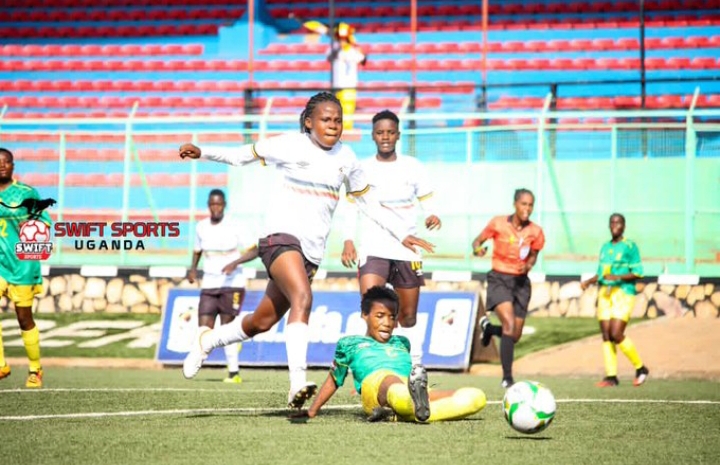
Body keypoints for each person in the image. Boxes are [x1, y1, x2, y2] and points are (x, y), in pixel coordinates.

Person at [178, 92, 434, 409]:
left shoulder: (347, 158)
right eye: (326, 119)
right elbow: (241, 156)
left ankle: (207, 340)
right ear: (309, 122)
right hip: (279, 239)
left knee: (261, 322)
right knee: (303, 297)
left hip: (310, 254)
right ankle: (297, 383)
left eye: (338, 120)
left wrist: (402, 233)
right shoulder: (290, 145)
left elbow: (368, 202)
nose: (333, 125)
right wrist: (203, 152)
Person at [341, 110, 441, 366]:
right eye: (380, 132)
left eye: (390, 132)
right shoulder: (361, 169)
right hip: (373, 247)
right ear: (373, 136)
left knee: (407, 317)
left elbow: (427, 200)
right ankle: (369, 365)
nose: (385, 137)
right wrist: (348, 239)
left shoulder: (413, 166)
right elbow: (351, 207)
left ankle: (414, 367)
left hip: (406, 250)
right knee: (370, 308)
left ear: (398, 135)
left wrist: (432, 215)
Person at [303, 285, 487, 422]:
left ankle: (400, 414)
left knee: (476, 397)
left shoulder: (402, 342)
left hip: (409, 388)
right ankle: (410, 405)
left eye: (392, 317)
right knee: (393, 383)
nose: (387, 323)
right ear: (364, 315)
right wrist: (312, 411)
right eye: (380, 316)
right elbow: (334, 379)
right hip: (374, 388)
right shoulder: (349, 344)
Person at [471, 188, 545, 389]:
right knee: (509, 326)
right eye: (524, 204)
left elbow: (533, 255)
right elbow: (477, 241)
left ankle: (489, 328)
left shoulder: (536, 231)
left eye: (530, 205)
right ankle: (507, 378)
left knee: (514, 335)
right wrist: (478, 250)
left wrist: (528, 266)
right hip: (499, 279)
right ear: (515, 204)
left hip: (521, 283)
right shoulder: (498, 223)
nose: (527, 208)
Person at [187, 188, 258, 384]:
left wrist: (235, 263)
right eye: (212, 204)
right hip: (209, 284)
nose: (215, 208)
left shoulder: (235, 225)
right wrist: (193, 269)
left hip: (232, 284)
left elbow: (254, 250)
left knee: (227, 328)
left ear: (224, 205)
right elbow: (197, 250)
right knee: (203, 329)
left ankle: (234, 373)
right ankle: (195, 365)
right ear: (208, 206)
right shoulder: (201, 226)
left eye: (218, 204)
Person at [0, 147, 53, 388]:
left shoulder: (25, 193)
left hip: (22, 265)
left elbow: (45, 222)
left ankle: (35, 369)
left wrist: (31, 225)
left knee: (24, 319)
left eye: (6, 161)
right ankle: (1, 365)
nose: (2, 165)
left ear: (13, 166)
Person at [581, 213, 649, 387]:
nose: (614, 225)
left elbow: (638, 272)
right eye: (612, 222)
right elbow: (602, 274)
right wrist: (589, 281)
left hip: (623, 292)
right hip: (605, 293)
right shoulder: (605, 247)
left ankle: (640, 368)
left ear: (624, 226)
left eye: (618, 223)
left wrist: (617, 277)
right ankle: (611, 376)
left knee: (616, 333)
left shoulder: (630, 246)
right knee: (606, 335)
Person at [327, 22, 367, 130]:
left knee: (347, 111)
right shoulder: (334, 49)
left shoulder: (352, 51)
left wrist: (355, 46)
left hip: (349, 86)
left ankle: (347, 130)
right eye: (340, 38)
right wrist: (338, 46)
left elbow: (363, 60)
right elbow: (329, 57)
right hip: (336, 86)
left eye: (344, 39)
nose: (342, 41)